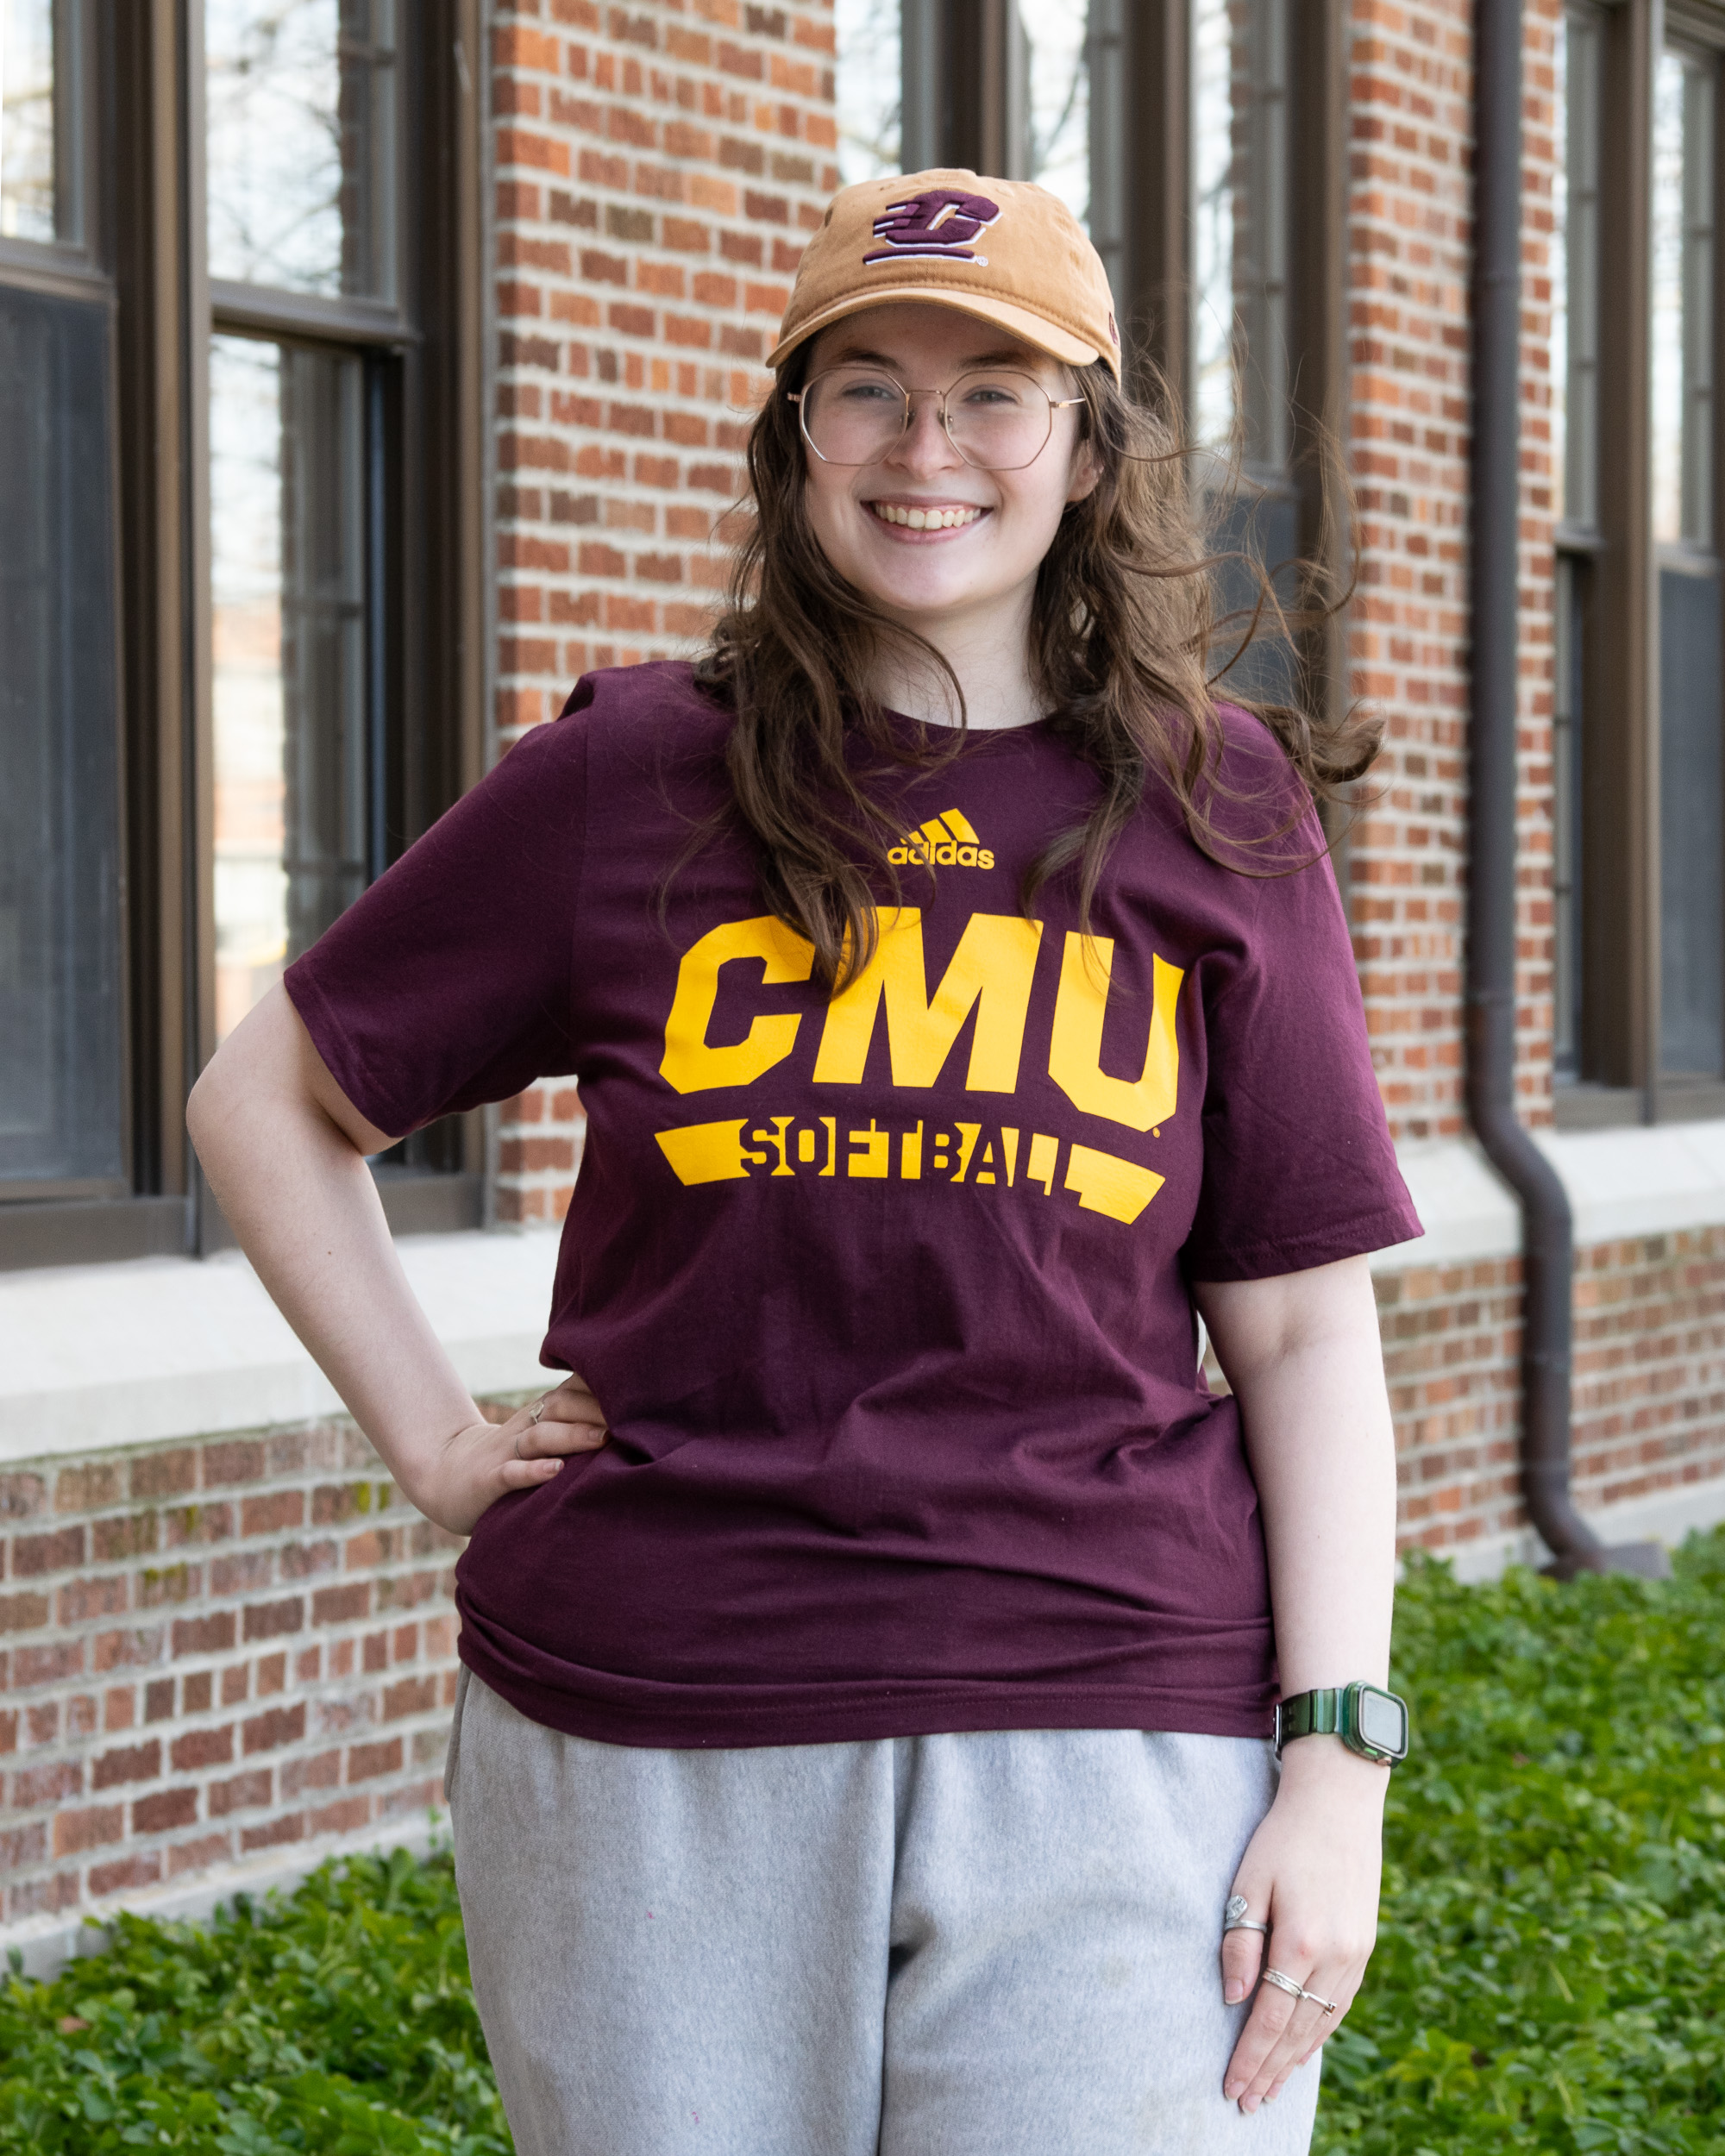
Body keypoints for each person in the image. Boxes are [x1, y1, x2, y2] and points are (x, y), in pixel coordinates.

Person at [188, 169, 1421, 2156]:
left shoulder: (1217, 805)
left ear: (1086, 445)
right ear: (792, 439)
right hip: (658, 1724)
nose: (925, 450)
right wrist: (429, 1441)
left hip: (1113, 1720)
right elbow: (269, 1101)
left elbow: (1295, 1330)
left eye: (993, 390)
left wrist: (1336, 1762)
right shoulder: (626, 776)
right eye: (864, 387)